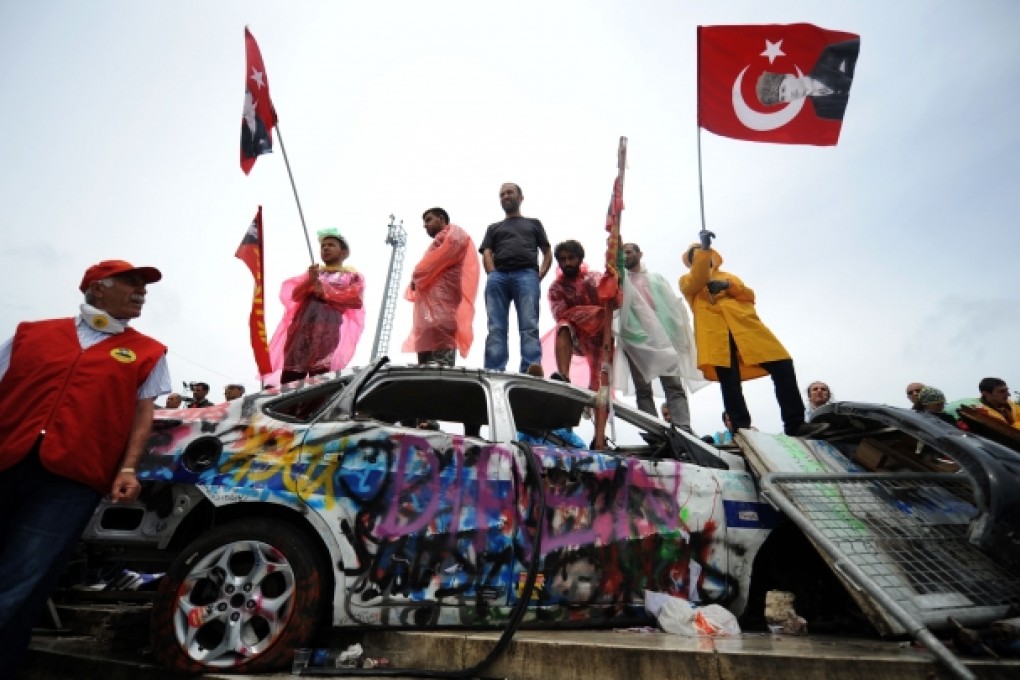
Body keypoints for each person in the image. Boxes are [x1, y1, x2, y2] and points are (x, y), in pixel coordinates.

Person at [0, 259, 170, 673]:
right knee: (26, 585)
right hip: (7, 458)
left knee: (22, 576)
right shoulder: (30, 334)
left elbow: (142, 416)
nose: (141, 292)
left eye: (143, 287)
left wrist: (127, 469)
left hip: (72, 479)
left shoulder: (148, 351)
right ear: (96, 289)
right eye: (130, 284)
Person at [679, 234, 820, 437]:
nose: (702, 256)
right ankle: (741, 428)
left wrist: (728, 286)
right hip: (715, 334)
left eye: (704, 252)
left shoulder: (729, 276)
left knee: (783, 364)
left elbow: (749, 296)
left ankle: (795, 424)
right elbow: (698, 278)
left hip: (745, 327)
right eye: (697, 255)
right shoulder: (687, 281)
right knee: (730, 382)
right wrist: (704, 249)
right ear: (693, 261)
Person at [617, 242, 705, 433]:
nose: (626, 256)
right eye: (622, 253)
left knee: (673, 385)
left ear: (640, 254)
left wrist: (677, 333)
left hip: (663, 338)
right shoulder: (620, 280)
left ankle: (683, 429)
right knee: (643, 389)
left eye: (629, 252)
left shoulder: (656, 279)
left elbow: (673, 307)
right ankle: (653, 432)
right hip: (636, 340)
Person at [265, 228, 366, 385]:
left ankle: (314, 408)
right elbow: (295, 295)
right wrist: (310, 281)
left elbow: (355, 300)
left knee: (319, 374)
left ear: (344, 253)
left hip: (327, 329)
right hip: (301, 328)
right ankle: (286, 408)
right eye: (323, 245)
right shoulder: (315, 273)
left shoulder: (351, 276)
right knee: (291, 372)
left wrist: (325, 291)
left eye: (331, 245)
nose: (325, 248)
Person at [479, 182, 552, 373]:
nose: (505, 196)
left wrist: (539, 275)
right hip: (499, 276)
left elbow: (547, 252)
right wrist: (492, 273)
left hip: (527, 275)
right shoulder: (493, 227)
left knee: (529, 323)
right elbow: (487, 251)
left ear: (521, 197)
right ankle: (494, 368)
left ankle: (530, 366)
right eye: (502, 194)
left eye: (510, 192)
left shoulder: (533, 224)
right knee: (496, 326)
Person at [402, 207, 480, 367]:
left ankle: (442, 371)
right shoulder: (438, 242)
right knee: (425, 336)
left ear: (442, 219)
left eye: (429, 219)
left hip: (445, 300)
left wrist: (418, 274)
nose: (425, 225)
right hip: (431, 304)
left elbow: (438, 259)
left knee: (442, 332)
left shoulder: (455, 234)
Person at [755, 39, 860, 120]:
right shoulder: (822, 111)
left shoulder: (830, 54)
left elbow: (866, 46)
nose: (789, 95)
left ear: (789, 76)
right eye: (783, 98)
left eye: (783, 89)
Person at [547, 240, 604, 390]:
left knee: (598, 385)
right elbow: (561, 314)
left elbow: (610, 304)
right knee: (563, 326)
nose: (567, 263)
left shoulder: (595, 279)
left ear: (579, 259)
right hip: (577, 336)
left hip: (601, 335)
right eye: (563, 260)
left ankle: (596, 403)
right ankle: (563, 377)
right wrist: (592, 312)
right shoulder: (556, 287)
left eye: (571, 258)